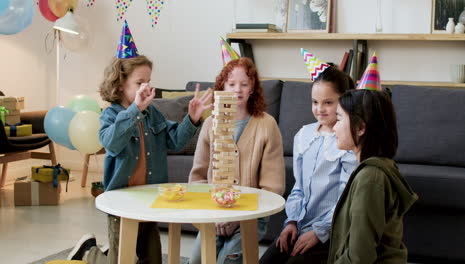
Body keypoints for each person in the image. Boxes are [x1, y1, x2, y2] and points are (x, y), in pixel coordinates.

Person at [67, 21, 212, 264]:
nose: (146, 87)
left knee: (153, 259)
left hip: (150, 200)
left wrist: (192, 119)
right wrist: (134, 110)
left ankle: (94, 251)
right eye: (139, 82)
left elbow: (174, 140)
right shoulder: (111, 114)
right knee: (120, 260)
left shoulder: (152, 114)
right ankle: (89, 254)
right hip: (122, 204)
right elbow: (111, 143)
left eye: (149, 81)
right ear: (120, 83)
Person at [259, 50, 358, 264]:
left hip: (330, 233)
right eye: (315, 102)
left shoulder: (347, 142)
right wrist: (291, 222)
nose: (320, 109)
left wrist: (319, 232)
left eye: (328, 103)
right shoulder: (304, 135)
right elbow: (298, 188)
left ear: (344, 102)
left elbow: (345, 200)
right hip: (300, 226)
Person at [189, 55, 285, 263]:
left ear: (252, 88)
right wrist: (213, 214)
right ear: (221, 87)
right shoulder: (210, 124)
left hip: (250, 218)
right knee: (197, 260)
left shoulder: (267, 125)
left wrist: (237, 219)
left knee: (228, 260)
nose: (237, 90)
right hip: (213, 216)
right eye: (231, 84)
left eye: (244, 84)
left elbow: (273, 188)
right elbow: (197, 179)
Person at [328, 88, 418, 264]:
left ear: (361, 127)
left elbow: (359, 257)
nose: (333, 127)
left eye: (338, 119)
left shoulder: (370, 178)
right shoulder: (376, 169)